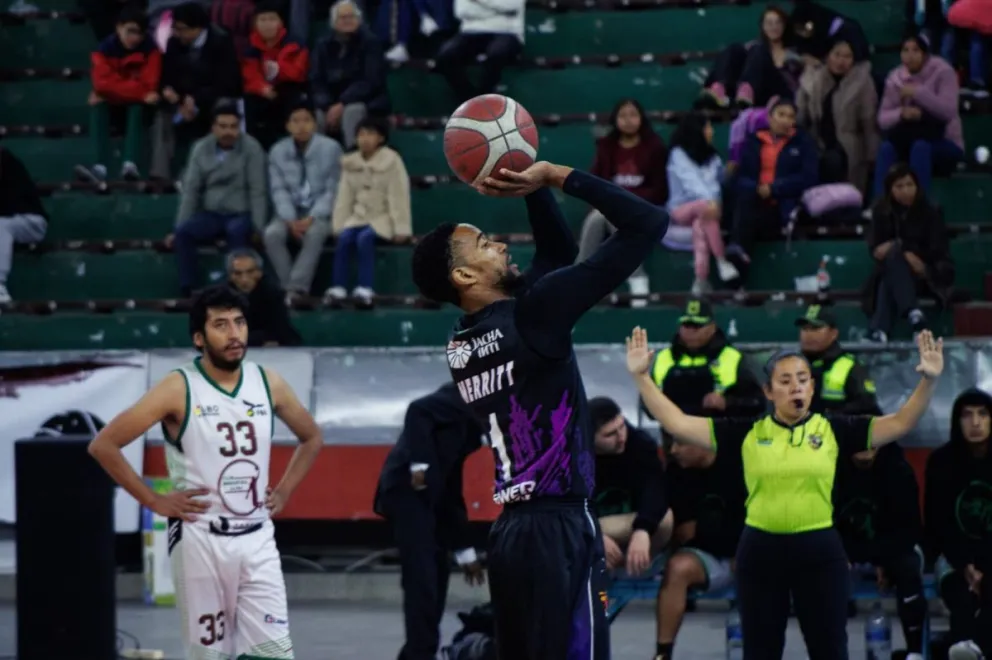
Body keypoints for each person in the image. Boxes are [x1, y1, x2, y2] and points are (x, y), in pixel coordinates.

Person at [410, 160, 670, 659]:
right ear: (464, 274)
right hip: (561, 527)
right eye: (486, 243)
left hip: (510, 535)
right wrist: (555, 177)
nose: (503, 245)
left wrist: (527, 187)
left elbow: (556, 253)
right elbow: (648, 223)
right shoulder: (536, 312)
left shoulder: (461, 342)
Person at [627, 325, 944, 660]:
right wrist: (641, 377)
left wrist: (930, 380)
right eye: (786, 380)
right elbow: (677, 423)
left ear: (812, 387)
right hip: (761, 552)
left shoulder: (834, 429)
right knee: (761, 652)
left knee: (830, 651)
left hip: (820, 552)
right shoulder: (747, 431)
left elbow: (899, 424)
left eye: (803, 379)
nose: (797, 386)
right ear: (768, 391)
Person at [87, 284, 323, 659]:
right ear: (200, 338)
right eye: (221, 325)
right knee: (210, 655)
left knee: (275, 654)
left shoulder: (268, 381)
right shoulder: (177, 387)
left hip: (257, 536)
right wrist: (152, 500)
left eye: (239, 323)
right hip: (200, 537)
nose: (234, 334)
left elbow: (311, 437)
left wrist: (283, 491)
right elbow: (103, 444)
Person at [374, 382, 487, 660]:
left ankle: (419, 652)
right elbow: (418, 409)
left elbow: (451, 486)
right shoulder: (468, 393)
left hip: (432, 496)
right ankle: (419, 653)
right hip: (407, 490)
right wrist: (420, 465)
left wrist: (465, 551)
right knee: (422, 578)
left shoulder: (475, 423)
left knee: (436, 574)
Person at [658, 428, 748, 660]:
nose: (673, 450)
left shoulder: (743, 466)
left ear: (704, 444)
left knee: (758, 555)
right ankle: (663, 653)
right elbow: (686, 533)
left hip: (749, 555)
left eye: (680, 444)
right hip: (707, 556)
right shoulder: (677, 473)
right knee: (677, 568)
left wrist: (738, 544)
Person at [833, 443, 926, 660]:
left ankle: (914, 653)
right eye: (859, 438)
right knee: (819, 563)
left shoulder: (898, 469)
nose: (865, 446)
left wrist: (881, 560)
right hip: (846, 550)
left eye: (872, 438)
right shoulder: (829, 468)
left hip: (891, 549)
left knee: (908, 567)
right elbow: (823, 525)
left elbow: (909, 531)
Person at [168, 102, 268, 297]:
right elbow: (191, 190)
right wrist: (179, 225)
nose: (228, 132)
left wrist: (259, 227)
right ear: (213, 128)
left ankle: (234, 290)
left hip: (241, 212)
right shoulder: (200, 148)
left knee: (236, 231)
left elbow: (258, 190)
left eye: (233, 126)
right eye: (223, 126)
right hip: (211, 213)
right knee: (183, 233)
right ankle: (189, 288)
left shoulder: (252, 148)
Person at [577, 99, 669, 304]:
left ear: (641, 118)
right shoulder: (606, 147)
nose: (628, 120)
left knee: (611, 213)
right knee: (597, 217)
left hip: (643, 209)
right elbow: (594, 183)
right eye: (623, 116)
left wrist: (625, 200)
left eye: (633, 115)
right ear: (615, 120)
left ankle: (635, 276)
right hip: (610, 210)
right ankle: (579, 275)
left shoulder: (655, 147)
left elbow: (660, 190)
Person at [924, 387, 992, 660]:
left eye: (983, 415)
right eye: (967, 415)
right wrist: (965, 565)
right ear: (957, 420)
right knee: (961, 598)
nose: (975, 423)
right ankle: (967, 649)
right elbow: (937, 524)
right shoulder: (941, 462)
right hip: (953, 558)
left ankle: (969, 648)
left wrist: (984, 567)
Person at [730, 98, 818, 284]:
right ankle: (738, 256)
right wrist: (757, 189)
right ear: (770, 118)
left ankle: (737, 256)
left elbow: (808, 177)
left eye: (791, 116)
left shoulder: (803, 142)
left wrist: (774, 188)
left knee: (746, 219)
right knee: (744, 198)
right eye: (781, 115)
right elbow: (743, 175)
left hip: (782, 205)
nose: (786, 120)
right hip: (753, 199)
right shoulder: (754, 140)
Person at [863, 164, 955, 343]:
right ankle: (914, 314)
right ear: (890, 189)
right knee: (893, 264)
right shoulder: (881, 211)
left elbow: (938, 250)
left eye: (909, 185)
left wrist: (920, 263)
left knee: (891, 270)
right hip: (894, 272)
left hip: (926, 275)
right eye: (899, 186)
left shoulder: (931, 212)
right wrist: (902, 249)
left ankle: (879, 329)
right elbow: (876, 250)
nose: (905, 191)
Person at [264, 101, 343, 301]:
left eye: (307, 121)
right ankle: (288, 286)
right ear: (287, 126)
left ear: (315, 125)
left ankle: (296, 289)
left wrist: (313, 216)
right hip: (287, 212)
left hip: (320, 211)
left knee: (315, 233)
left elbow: (333, 189)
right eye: (295, 121)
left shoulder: (332, 148)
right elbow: (278, 189)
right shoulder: (277, 151)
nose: (301, 126)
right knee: (272, 234)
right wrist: (290, 219)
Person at [327, 117, 411, 307]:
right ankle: (338, 287)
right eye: (361, 134)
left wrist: (401, 228)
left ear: (381, 138)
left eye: (370, 134)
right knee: (345, 238)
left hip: (383, 217)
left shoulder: (392, 161)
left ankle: (365, 287)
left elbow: (398, 196)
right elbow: (344, 197)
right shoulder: (350, 163)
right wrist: (338, 226)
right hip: (357, 217)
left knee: (364, 238)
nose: (365, 139)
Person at [77, 4, 162, 183]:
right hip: (115, 105)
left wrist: (116, 90)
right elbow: (102, 84)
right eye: (130, 31)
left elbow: (150, 84)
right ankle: (99, 167)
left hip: (140, 109)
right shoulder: (103, 50)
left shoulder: (151, 50)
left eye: (140, 33)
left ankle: (130, 165)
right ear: (118, 27)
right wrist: (136, 91)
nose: (135, 38)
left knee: (137, 106)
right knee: (98, 103)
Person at [644, 298, 764, 424]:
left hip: (721, 438)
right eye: (686, 325)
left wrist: (726, 403)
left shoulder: (733, 358)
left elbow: (757, 403)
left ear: (712, 327)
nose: (690, 332)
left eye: (697, 326)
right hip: (675, 439)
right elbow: (646, 405)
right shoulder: (664, 358)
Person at [873, 31, 963, 198]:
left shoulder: (943, 72)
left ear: (925, 53)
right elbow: (882, 119)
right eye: (905, 50)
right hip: (907, 139)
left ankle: (920, 207)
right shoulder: (895, 78)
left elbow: (948, 111)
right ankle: (880, 204)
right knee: (886, 148)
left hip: (944, 141)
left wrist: (918, 93)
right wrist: (901, 114)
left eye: (915, 50)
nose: (910, 56)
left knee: (920, 147)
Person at [588, 396, 672, 576]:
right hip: (590, 526)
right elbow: (565, 507)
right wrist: (593, 535)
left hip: (628, 524)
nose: (621, 438)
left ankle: (637, 561)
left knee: (665, 518)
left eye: (622, 426)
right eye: (610, 434)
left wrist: (643, 529)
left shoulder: (640, 444)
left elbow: (655, 489)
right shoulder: (570, 458)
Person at [665, 114, 737, 294]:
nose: (711, 131)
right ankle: (721, 260)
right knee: (705, 210)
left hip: (707, 212)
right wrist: (712, 203)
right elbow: (692, 183)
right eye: (708, 127)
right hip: (681, 210)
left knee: (701, 226)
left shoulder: (712, 157)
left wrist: (727, 174)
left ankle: (700, 279)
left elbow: (717, 183)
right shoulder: (678, 154)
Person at [796, 38, 879, 191]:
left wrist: (872, 155)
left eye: (847, 56)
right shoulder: (813, 77)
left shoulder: (863, 82)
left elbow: (869, 122)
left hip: (847, 145)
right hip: (816, 142)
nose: (841, 61)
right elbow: (800, 115)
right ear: (828, 55)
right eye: (837, 55)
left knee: (831, 161)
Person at [240, 0, 310, 150]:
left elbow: (298, 73)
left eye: (272, 19)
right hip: (263, 93)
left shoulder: (295, 44)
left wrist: (278, 70)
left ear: (281, 22)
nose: (267, 24)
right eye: (262, 20)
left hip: (288, 90)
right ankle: (255, 149)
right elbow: (249, 74)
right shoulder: (250, 47)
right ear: (255, 24)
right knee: (249, 100)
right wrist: (262, 88)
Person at [795, 304, 881, 415]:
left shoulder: (851, 367)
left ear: (833, 333)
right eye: (804, 329)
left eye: (815, 328)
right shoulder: (791, 365)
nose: (808, 334)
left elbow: (867, 407)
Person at [0, 147, 48, 305]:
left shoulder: (3, 158)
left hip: (31, 221)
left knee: (1, 225)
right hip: (11, 217)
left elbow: (7, 204)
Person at [226, 248, 303, 347]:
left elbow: (278, 331)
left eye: (250, 272)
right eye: (238, 273)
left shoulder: (272, 293)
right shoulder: (222, 297)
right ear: (230, 276)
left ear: (260, 272)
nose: (244, 279)